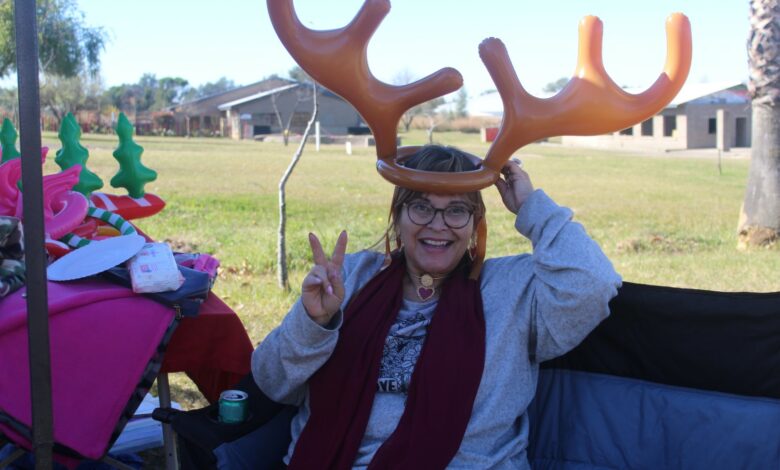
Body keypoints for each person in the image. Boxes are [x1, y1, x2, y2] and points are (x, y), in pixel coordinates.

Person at [251, 144, 621, 469]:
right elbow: (271, 382)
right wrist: (314, 322)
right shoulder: (351, 277)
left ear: (475, 224)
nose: (438, 225)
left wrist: (531, 206)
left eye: (456, 210)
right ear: (397, 216)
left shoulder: (514, 289)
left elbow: (593, 283)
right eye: (421, 207)